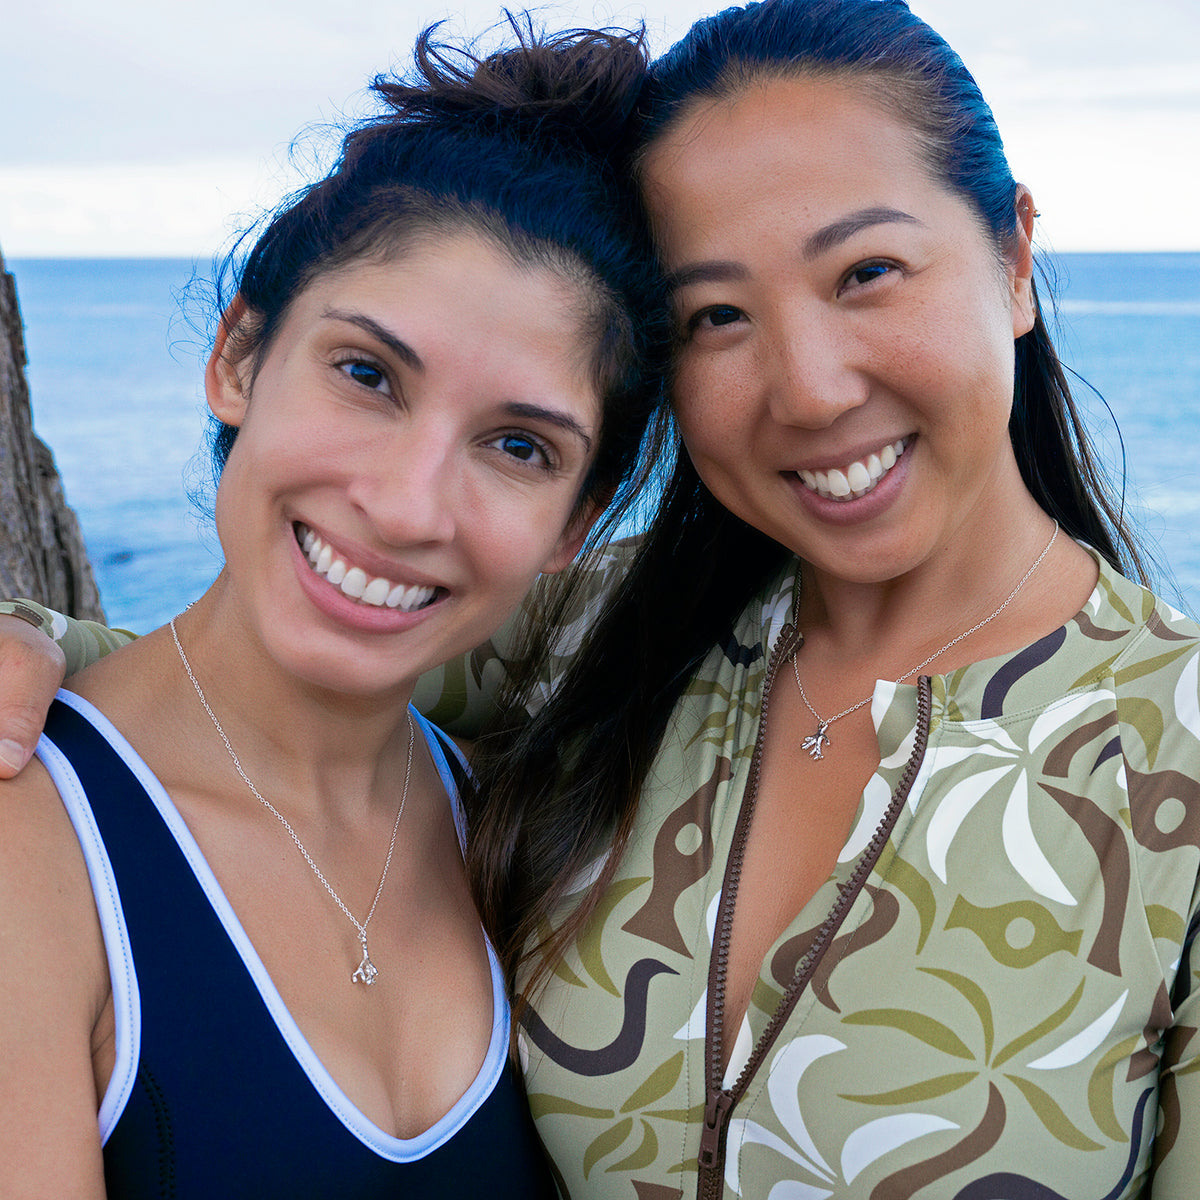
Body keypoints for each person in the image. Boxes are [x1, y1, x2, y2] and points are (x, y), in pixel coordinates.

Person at [1, 1, 1197, 1196]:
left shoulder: (1175, 757)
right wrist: (26, 646)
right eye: (716, 316)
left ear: (1015, 254)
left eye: (868, 272)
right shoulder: (603, 642)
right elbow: (275, 676)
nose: (812, 388)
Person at [0, 19, 670, 1198]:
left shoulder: (510, 836)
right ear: (241, 357)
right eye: (368, 374)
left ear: (579, 522)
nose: (409, 506)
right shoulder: (29, 841)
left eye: (517, 445)